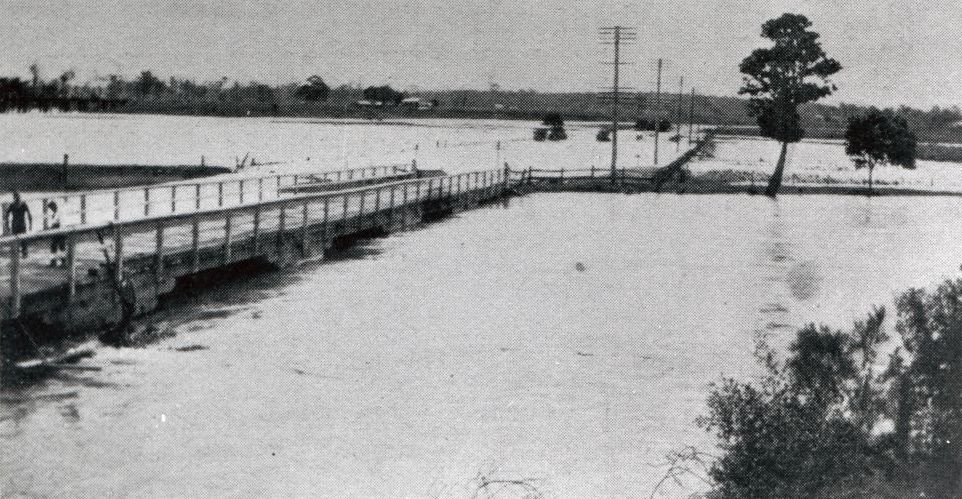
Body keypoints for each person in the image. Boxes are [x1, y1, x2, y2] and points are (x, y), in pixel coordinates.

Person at [4, 191, 32, 257]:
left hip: (16, 224)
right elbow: (29, 214)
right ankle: (23, 253)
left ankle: (21, 253)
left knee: (19, 239)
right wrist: (30, 224)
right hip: (20, 224)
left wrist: (7, 225)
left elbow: (6, 215)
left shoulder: (14, 205)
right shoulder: (20, 204)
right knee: (22, 239)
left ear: (14, 197)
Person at [46, 200, 66, 267]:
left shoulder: (58, 213)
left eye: (51, 208)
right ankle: (54, 261)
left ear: (54, 206)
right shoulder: (55, 213)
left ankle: (62, 262)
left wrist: (52, 228)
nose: (51, 209)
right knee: (55, 246)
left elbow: (58, 223)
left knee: (60, 246)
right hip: (57, 231)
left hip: (59, 231)